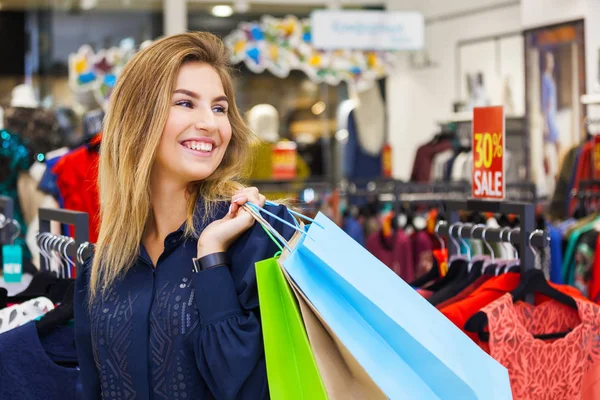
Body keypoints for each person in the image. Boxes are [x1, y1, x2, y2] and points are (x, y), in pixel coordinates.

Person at [74, 32, 297, 399]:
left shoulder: (260, 239)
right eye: (185, 103)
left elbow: (248, 388)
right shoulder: (102, 267)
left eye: (219, 108)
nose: (210, 123)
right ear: (138, 119)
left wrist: (211, 257)